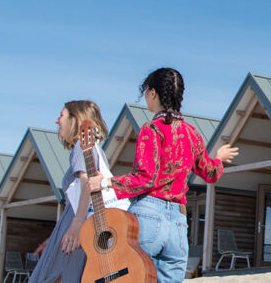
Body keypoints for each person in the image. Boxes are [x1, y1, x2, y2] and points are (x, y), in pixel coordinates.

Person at [87, 67, 238, 283]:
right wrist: (219, 158)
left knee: (130, 277)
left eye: (146, 92)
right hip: (178, 222)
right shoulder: (192, 134)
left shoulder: (152, 129)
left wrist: (105, 182)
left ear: (153, 93)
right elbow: (210, 173)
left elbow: (145, 178)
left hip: (148, 215)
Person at [30, 100, 109, 283]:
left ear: (76, 119)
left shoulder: (82, 147)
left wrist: (76, 224)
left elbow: (86, 184)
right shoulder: (96, 149)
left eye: (62, 116)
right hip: (80, 226)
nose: (57, 121)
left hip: (77, 228)